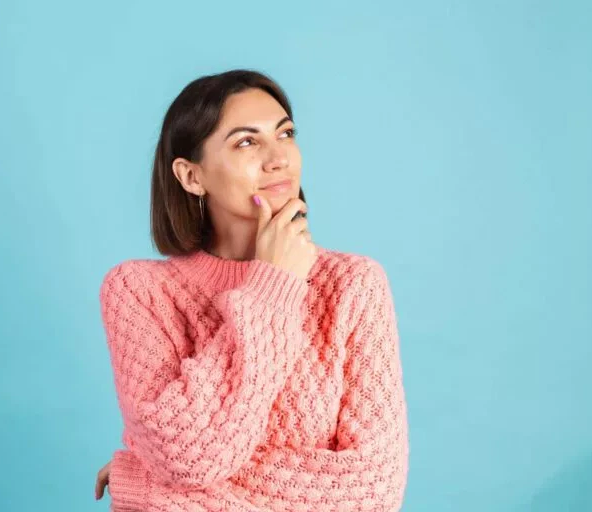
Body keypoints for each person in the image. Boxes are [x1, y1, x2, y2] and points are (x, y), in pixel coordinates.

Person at [95, 69, 409, 511]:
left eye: (285, 134)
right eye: (246, 142)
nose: (278, 158)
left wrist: (144, 481)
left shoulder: (354, 285)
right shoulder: (139, 292)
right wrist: (273, 288)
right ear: (191, 176)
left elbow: (374, 493)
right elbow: (188, 457)